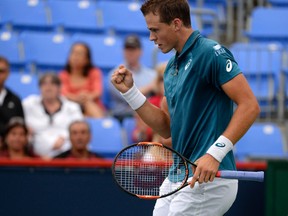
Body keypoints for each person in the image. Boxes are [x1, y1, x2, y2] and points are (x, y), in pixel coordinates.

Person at [110, 0, 261, 215]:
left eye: (155, 30)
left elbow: (250, 106)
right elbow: (167, 129)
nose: (151, 38)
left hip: (208, 178)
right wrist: (130, 92)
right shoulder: (172, 66)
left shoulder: (210, 52)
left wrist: (214, 155)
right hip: (177, 177)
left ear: (176, 24)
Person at [22, 73, 84, 159]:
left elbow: (81, 128)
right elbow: (19, 124)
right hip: (36, 155)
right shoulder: (28, 105)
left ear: (59, 88)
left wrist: (64, 137)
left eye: (53, 84)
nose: (48, 87)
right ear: (39, 88)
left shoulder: (72, 107)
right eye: (44, 84)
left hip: (66, 154)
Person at [108, 34, 156, 122]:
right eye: (127, 49)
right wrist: (151, 86)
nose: (130, 52)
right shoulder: (115, 74)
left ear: (140, 51)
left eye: (133, 49)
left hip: (147, 116)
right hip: (123, 117)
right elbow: (127, 97)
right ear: (123, 51)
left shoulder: (151, 74)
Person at [59, 42, 105, 118]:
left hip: (92, 106)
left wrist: (87, 97)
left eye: (80, 54)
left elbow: (97, 92)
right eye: (73, 53)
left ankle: (99, 124)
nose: (75, 57)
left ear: (87, 59)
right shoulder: (63, 75)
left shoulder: (94, 72)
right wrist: (78, 98)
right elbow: (64, 94)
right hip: (70, 107)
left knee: (88, 103)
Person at [0, 56, 25, 149]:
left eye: (1, 71)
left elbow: (20, 127)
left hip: (10, 151)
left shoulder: (15, 99)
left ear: (8, 74)